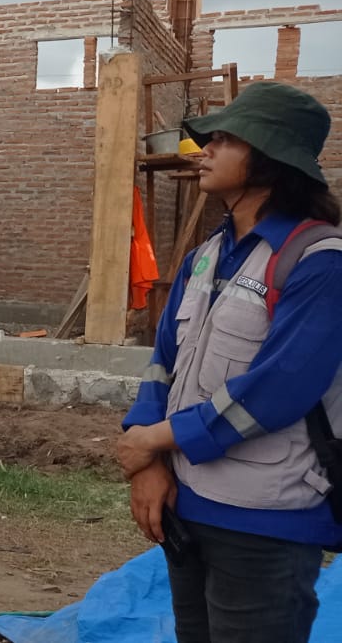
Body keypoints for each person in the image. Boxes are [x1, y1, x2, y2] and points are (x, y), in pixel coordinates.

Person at [117, 82, 342, 643]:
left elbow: (277, 391)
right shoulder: (205, 256)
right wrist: (148, 459)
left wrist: (155, 440)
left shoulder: (320, 262)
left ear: (270, 156)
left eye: (224, 139)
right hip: (185, 509)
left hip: (268, 522)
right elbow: (162, 364)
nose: (204, 151)